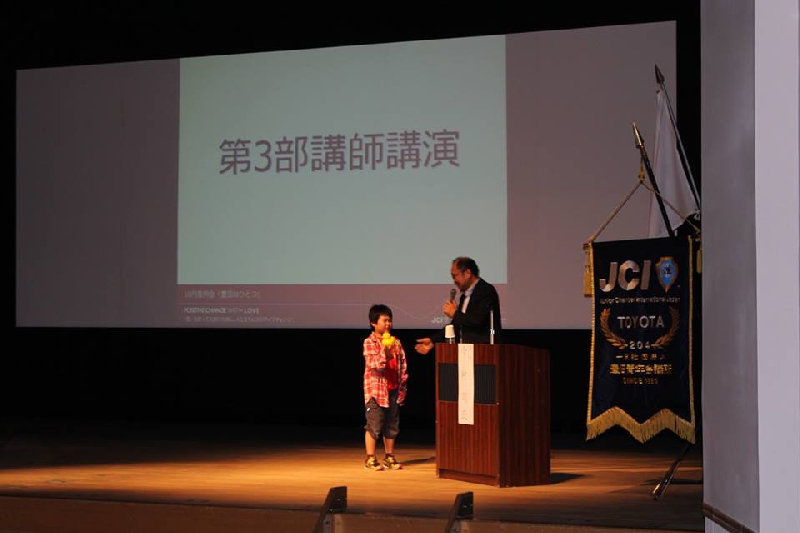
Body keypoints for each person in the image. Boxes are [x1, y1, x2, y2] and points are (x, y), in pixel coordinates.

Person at [414, 256, 502, 354]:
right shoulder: (464, 296)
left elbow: (477, 320)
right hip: (467, 352)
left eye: (455, 275)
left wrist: (455, 314)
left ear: (467, 273)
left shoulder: (486, 290)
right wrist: (432, 341)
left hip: (484, 352)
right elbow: (457, 324)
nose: (454, 280)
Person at [362, 303, 408, 471]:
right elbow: (373, 364)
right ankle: (370, 458)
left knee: (392, 425)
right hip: (376, 392)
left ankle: (389, 457)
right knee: (374, 425)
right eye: (384, 320)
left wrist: (402, 387)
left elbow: (402, 367)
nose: (388, 324)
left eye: (390, 320)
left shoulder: (397, 343)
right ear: (374, 323)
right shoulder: (369, 342)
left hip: (393, 389)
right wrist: (386, 355)